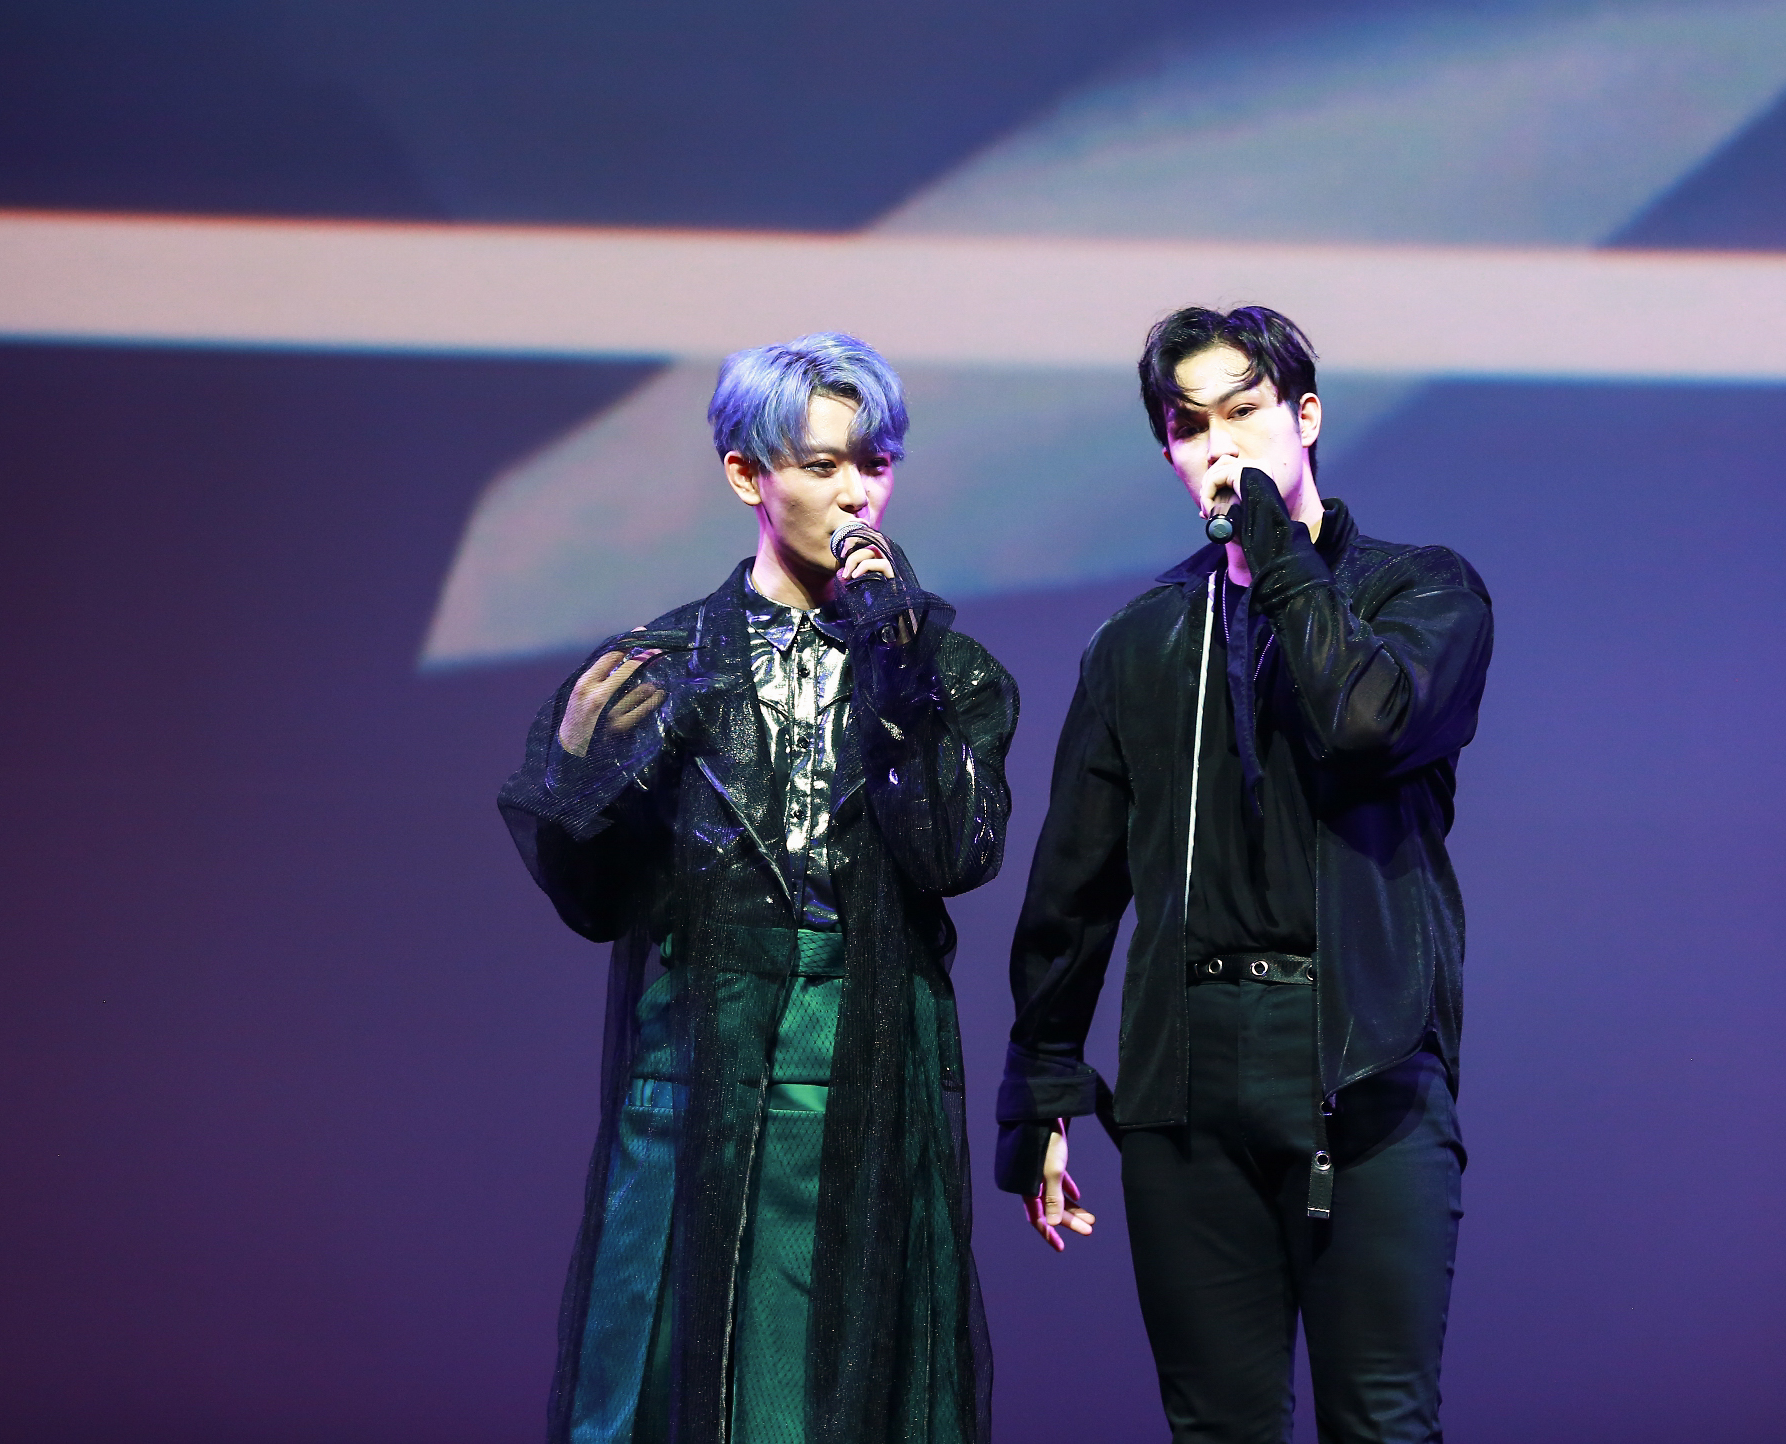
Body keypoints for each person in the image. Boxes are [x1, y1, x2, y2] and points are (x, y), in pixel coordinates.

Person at [500, 333, 1018, 1444]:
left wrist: (897, 671)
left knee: (829, 1395)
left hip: (859, 1074)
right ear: (748, 475)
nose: (857, 494)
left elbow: (956, 855)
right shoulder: (665, 664)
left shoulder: (946, 673)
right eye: (824, 465)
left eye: (874, 463)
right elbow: (594, 904)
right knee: (659, 1381)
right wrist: (577, 775)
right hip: (698, 1078)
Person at [996, 305, 1493, 1444]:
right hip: (1187, 1080)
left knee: (1383, 1424)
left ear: (1304, 417)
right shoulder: (1140, 640)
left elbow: (1365, 722)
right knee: (1216, 1428)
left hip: (1363, 1066)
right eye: (1189, 427)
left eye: (1243, 412)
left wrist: (1275, 553)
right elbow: (1073, 886)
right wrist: (1045, 1086)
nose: (1218, 446)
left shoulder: (1424, 592)